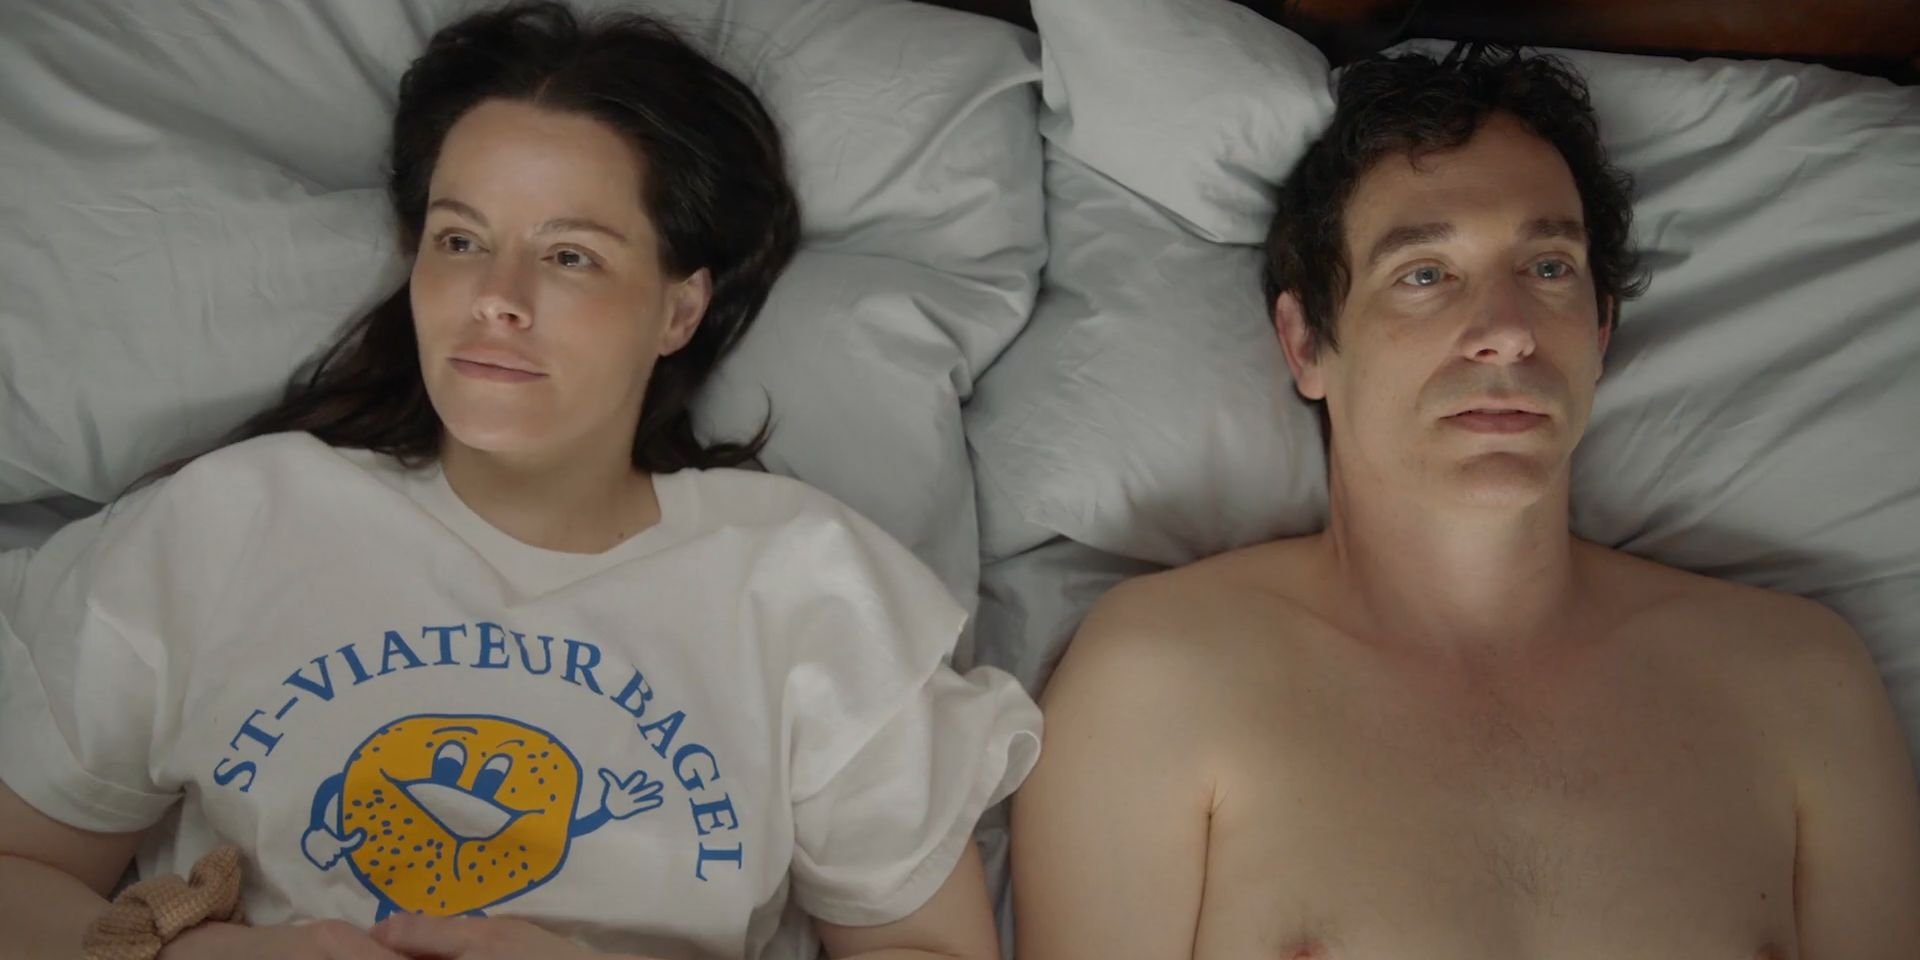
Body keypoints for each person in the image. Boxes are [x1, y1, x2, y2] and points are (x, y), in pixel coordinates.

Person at [0, 4, 1038, 959]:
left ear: (679, 309)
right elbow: (19, 875)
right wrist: (190, 954)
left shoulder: (810, 590)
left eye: (571, 256)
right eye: (460, 240)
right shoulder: (226, 524)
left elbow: (931, 949)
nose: (495, 297)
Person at [1011, 44, 1920, 959]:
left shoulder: (1803, 688)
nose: (1507, 333)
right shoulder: (1159, 678)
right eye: (1424, 274)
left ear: (1601, 331)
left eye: (1549, 268)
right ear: (1306, 344)